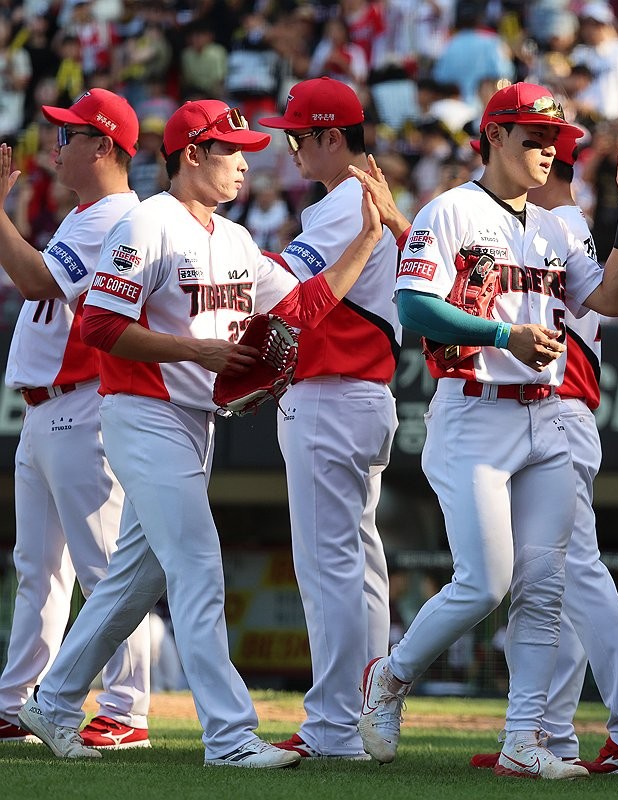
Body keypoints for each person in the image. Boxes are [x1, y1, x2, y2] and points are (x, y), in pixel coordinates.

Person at [19, 99, 383, 768]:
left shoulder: (235, 238)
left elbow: (301, 307)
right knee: (197, 566)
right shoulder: (148, 221)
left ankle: (54, 698)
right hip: (141, 413)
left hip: (193, 422)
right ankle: (230, 735)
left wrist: (369, 237)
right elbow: (99, 324)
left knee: (135, 576)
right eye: (231, 150)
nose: (246, 162)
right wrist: (198, 353)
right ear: (192, 155)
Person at [356, 82, 618, 780]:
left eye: (555, 141)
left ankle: (526, 738)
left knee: (544, 584)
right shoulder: (451, 209)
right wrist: (502, 333)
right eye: (533, 137)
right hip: (475, 409)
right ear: (492, 137)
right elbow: (413, 307)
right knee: (485, 583)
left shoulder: (555, 226)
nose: (549, 151)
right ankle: (392, 676)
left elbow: (610, 300)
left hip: (546, 414)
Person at [464, 129, 618, 774]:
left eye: (545, 157)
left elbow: (605, 303)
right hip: (559, 407)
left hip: (557, 406)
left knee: (574, 570)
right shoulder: (563, 221)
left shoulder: (556, 221)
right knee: (550, 576)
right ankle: (549, 734)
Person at [256, 76, 405, 761]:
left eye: (298, 136)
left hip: (332, 393)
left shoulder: (346, 205)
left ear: (331, 138)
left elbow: (286, 300)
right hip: (361, 394)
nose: (290, 148)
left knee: (328, 570)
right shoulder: (356, 201)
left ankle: (334, 726)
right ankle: (366, 718)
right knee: (359, 567)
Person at [0, 89, 152, 750]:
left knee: (102, 567)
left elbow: (35, 282)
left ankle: (126, 707)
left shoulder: (114, 215)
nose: (58, 146)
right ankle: (17, 699)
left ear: (104, 145)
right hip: (46, 409)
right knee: (40, 568)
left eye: (69, 135)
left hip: (81, 402)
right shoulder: (87, 214)